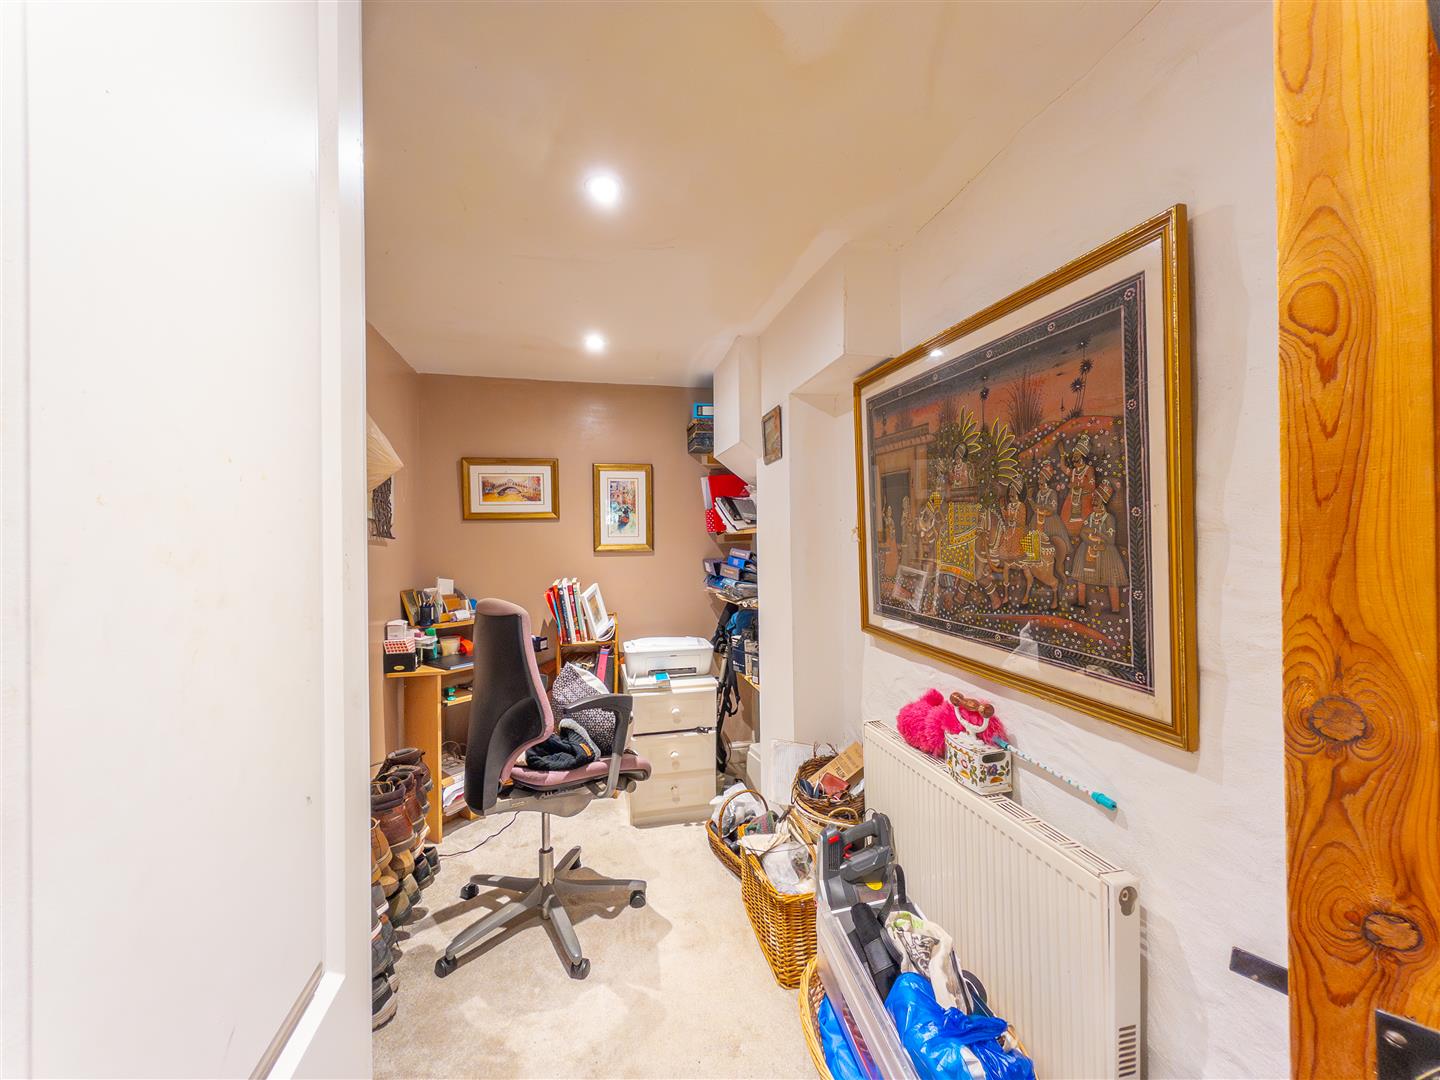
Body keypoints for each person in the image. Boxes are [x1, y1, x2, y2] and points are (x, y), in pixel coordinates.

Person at [1069, 481, 1127, 612]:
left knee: (1111, 579)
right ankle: (1081, 602)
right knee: (1081, 577)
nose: (1094, 500)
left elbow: (1110, 540)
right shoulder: (1090, 517)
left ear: (1103, 501)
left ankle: (1115, 608)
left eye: (1097, 498)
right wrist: (1092, 542)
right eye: (1094, 497)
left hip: (1106, 552)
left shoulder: (1109, 518)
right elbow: (1083, 532)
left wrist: (1095, 532)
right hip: (1088, 549)